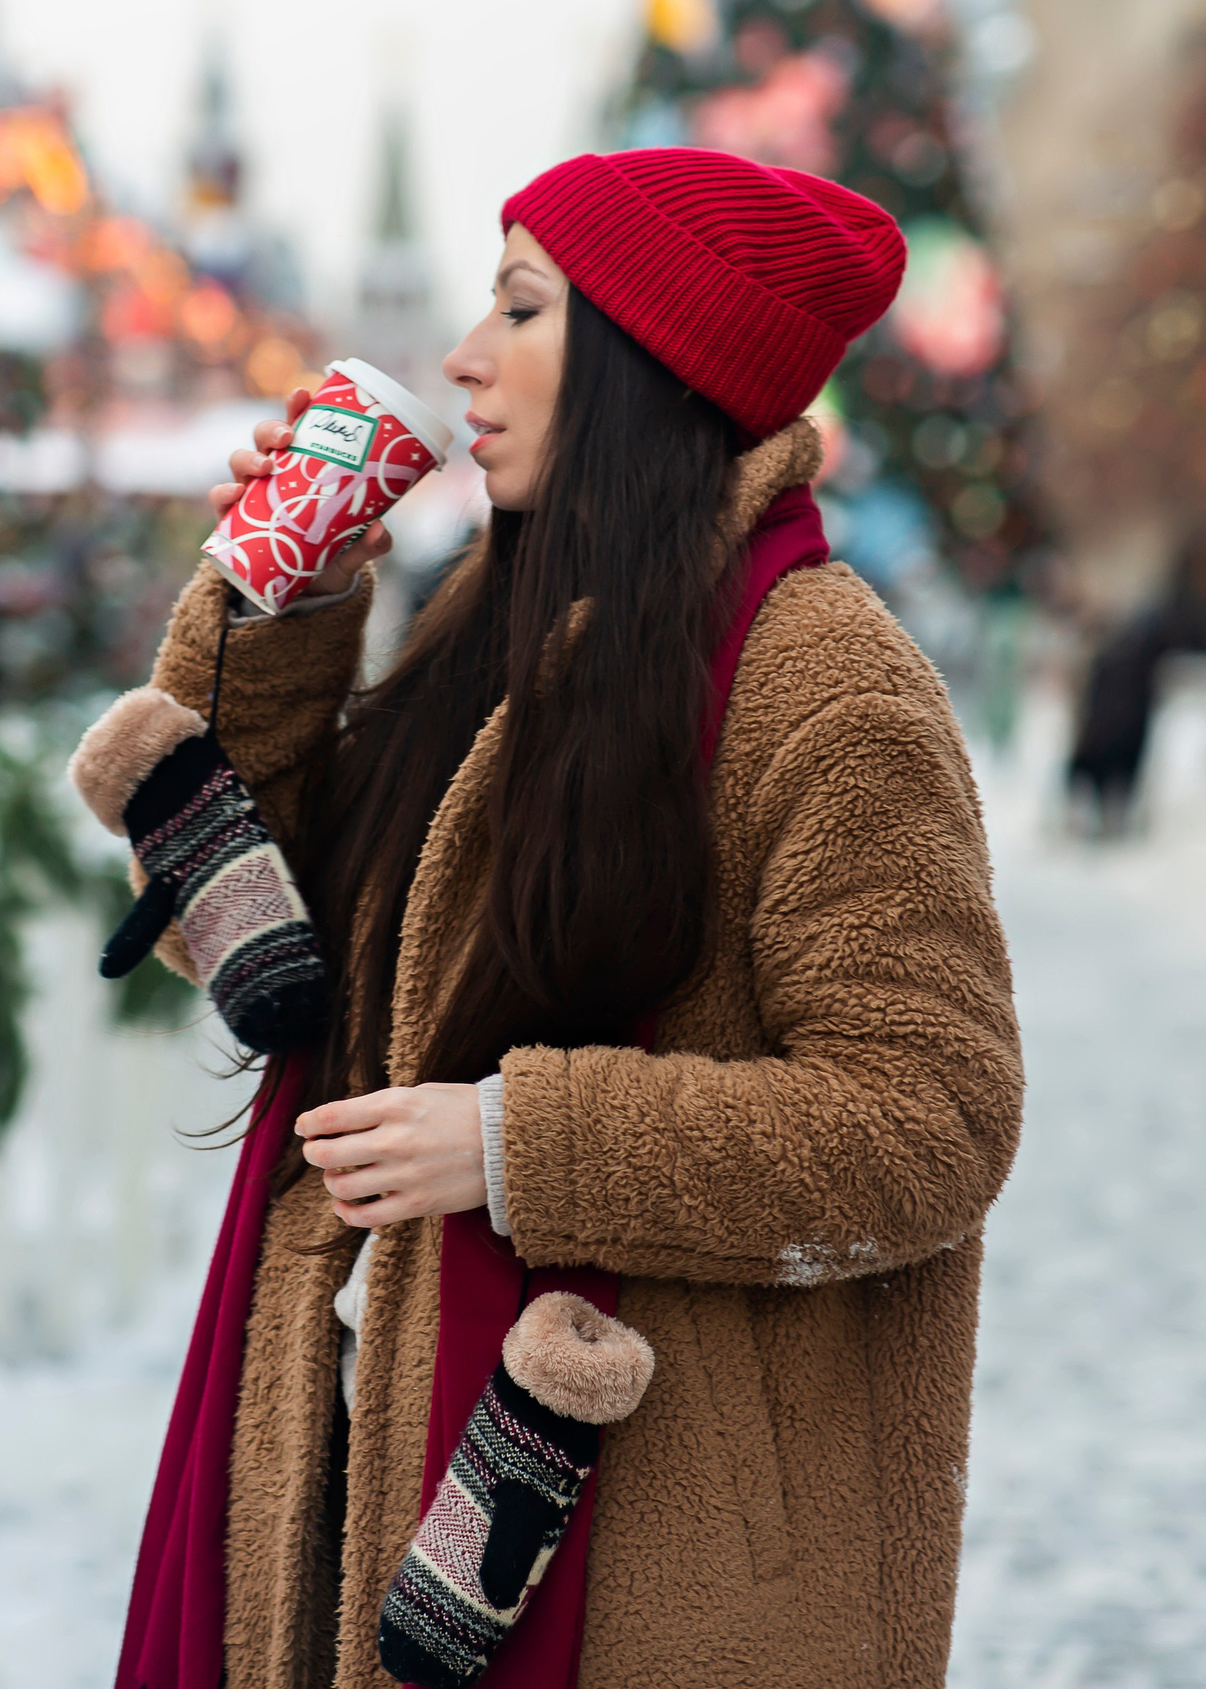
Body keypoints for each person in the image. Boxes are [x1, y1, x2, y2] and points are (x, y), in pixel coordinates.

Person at [103, 149, 1023, 1689]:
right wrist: (279, 604)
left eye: (522, 308)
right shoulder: (499, 632)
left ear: (650, 366)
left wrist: (520, 1144)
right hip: (346, 1469)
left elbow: (931, 1122)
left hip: (641, 1558)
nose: (463, 356)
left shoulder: (827, 684)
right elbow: (259, 946)